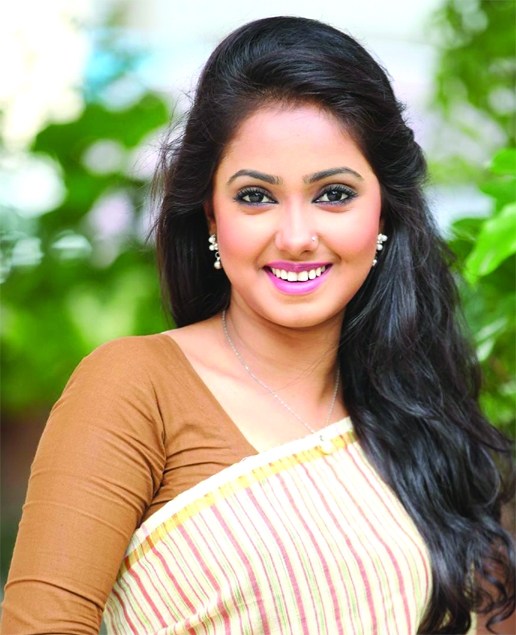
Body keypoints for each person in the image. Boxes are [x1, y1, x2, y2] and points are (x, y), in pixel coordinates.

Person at [2, 16, 514, 635]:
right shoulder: (136, 387)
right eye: (255, 196)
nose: (296, 237)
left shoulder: (423, 417)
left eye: (334, 194)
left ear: (384, 210)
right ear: (210, 216)